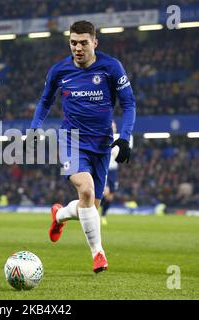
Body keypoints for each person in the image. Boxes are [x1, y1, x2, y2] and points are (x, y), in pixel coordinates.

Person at [28, 20, 136, 273]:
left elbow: (129, 104)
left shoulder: (111, 67)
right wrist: (35, 127)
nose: (77, 48)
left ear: (94, 43)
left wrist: (124, 137)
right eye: (73, 43)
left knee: (91, 207)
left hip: (102, 144)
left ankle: (59, 215)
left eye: (83, 43)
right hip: (72, 139)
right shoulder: (59, 71)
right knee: (86, 192)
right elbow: (45, 101)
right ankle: (98, 254)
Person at [101, 121, 134, 226]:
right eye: (111, 125)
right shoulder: (104, 138)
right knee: (105, 192)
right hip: (104, 168)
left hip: (113, 170)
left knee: (110, 195)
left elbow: (129, 140)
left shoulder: (119, 138)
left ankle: (103, 215)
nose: (113, 127)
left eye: (114, 125)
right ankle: (95, 208)